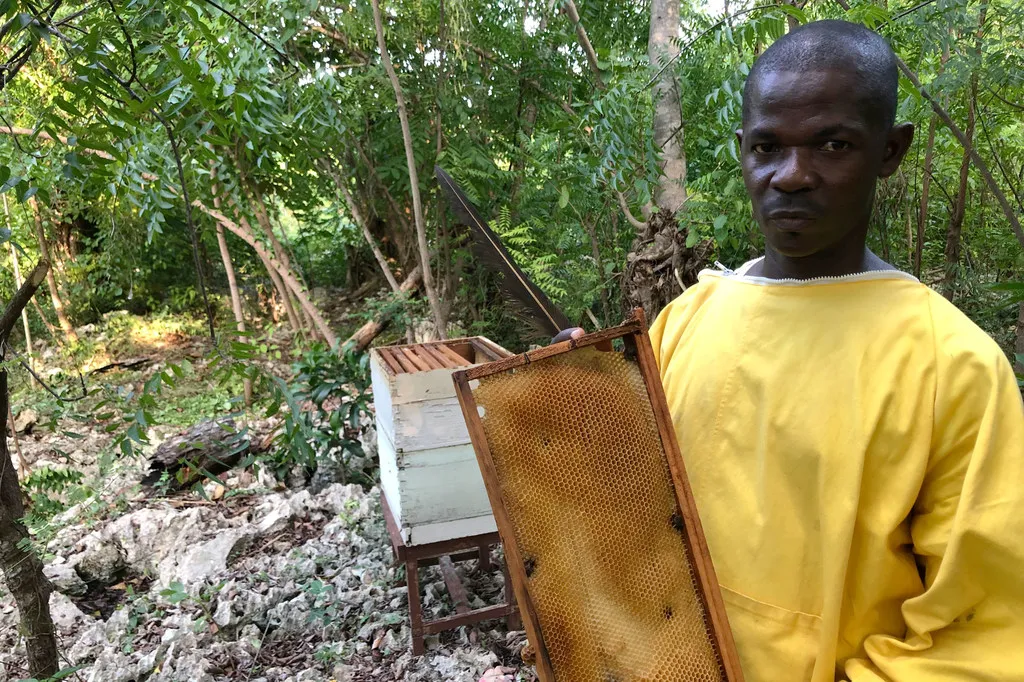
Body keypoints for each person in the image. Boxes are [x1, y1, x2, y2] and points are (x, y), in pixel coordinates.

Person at [553, 19, 1024, 682]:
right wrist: (575, 407)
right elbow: (633, 510)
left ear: (890, 151)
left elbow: (982, 635)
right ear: (742, 150)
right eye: (768, 147)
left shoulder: (955, 366)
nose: (792, 175)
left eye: (833, 144)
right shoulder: (685, 320)